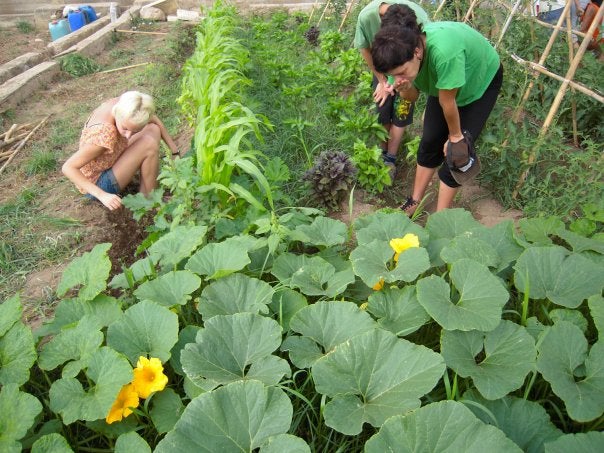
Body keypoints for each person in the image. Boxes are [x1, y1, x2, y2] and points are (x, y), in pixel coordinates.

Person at [371, 5, 503, 215]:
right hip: (444, 85)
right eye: (393, 76)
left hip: (479, 82)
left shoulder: (444, 52)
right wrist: (405, 87)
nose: (397, 79)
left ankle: (441, 217)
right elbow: (412, 96)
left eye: (402, 73)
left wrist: (456, 136)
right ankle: (414, 201)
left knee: (458, 152)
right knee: (430, 139)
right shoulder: (395, 59)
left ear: (417, 52)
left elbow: (448, 101)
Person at [62, 91, 179, 211]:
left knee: (152, 129)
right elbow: (68, 167)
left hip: (108, 163)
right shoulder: (103, 137)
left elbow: (153, 119)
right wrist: (103, 195)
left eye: (134, 131)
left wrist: (174, 151)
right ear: (118, 114)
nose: (128, 135)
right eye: (125, 128)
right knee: (148, 144)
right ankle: (149, 202)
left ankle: (148, 194)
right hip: (97, 186)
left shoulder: (124, 105)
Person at [354, 0, 429, 178]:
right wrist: (382, 80)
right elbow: (364, 48)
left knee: (402, 111)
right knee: (382, 107)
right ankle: (382, 151)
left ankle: (391, 158)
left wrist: (408, 83)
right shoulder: (366, 17)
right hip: (384, 68)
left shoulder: (418, 18)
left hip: (409, 71)